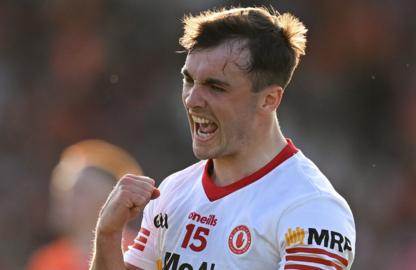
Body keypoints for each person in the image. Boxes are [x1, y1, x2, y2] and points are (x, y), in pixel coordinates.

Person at [90, 6, 356, 270]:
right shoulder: (171, 193)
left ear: (269, 99)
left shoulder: (311, 208)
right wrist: (108, 235)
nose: (192, 99)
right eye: (189, 80)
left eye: (215, 87)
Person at [27, 140, 143, 270]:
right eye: (61, 189)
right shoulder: (47, 260)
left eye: (79, 191)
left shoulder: (139, 253)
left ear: (109, 200)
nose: (64, 198)